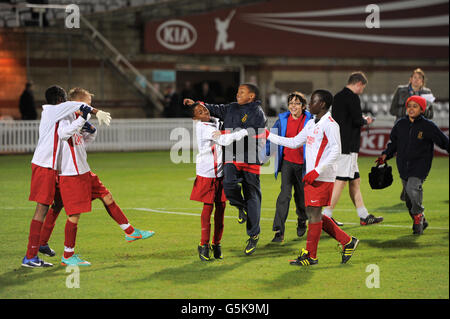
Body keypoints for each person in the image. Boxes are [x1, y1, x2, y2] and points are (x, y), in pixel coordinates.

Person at [54, 88, 154, 266]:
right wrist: (82, 118)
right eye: (87, 104)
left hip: (84, 172)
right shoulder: (65, 119)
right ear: (77, 103)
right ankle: (67, 255)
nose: (90, 107)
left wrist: (90, 132)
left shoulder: (77, 120)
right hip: (72, 175)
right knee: (74, 216)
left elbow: (80, 144)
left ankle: (130, 231)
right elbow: (63, 135)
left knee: (107, 196)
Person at [262, 89, 359, 266]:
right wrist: (270, 136)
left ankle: (311, 255)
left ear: (322, 104)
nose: (310, 104)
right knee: (313, 213)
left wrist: (317, 171)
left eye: (313, 101)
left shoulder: (330, 124)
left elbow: (336, 150)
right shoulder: (312, 123)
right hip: (312, 176)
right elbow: (293, 142)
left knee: (313, 215)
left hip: (323, 177)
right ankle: (347, 241)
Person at [21, 85, 111, 268]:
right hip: (44, 166)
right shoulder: (54, 110)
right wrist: (97, 111)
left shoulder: (54, 113)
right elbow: (80, 106)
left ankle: (40, 246)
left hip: (50, 167)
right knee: (42, 208)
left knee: (55, 204)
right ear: (61, 99)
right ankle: (30, 256)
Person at [184, 83, 267, 256]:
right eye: (237, 91)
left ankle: (253, 234)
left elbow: (250, 132)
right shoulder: (231, 108)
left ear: (251, 96)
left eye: (241, 92)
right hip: (229, 158)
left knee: (252, 197)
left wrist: (227, 133)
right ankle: (239, 207)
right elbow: (214, 109)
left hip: (250, 159)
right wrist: (197, 104)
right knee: (229, 187)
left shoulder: (258, 114)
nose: (237, 94)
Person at [377, 96, 449, 235]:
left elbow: (444, 141)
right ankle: (422, 219)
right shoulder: (400, 124)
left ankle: (418, 216)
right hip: (403, 165)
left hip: (420, 165)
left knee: (412, 187)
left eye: (415, 106)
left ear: (422, 109)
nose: (411, 108)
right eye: (409, 105)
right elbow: (393, 144)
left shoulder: (428, 126)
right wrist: (386, 155)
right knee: (409, 199)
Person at [322, 71, 383, 226]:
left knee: (355, 180)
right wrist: (366, 121)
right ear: (358, 84)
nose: (362, 90)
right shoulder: (353, 97)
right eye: (362, 87)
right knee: (340, 180)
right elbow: (356, 120)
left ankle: (363, 215)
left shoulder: (338, 96)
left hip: (339, 142)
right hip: (347, 147)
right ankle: (326, 217)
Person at [189, 102, 248, 261]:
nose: (204, 111)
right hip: (208, 173)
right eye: (200, 112)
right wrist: (243, 132)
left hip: (220, 172)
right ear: (196, 118)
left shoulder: (212, 121)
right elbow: (223, 140)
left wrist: (194, 101)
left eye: (204, 108)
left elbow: (216, 114)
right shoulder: (204, 128)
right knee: (208, 209)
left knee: (221, 208)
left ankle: (217, 244)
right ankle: (203, 245)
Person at [265, 91, 312, 242]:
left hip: (304, 165)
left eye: (296, 103)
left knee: (301, 197)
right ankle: (279, 230)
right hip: (287, 163)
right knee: (284, 196)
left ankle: (302, 219)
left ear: (303, 106)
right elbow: (272, 137)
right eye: (291, 103)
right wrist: (264, 155)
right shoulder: (282, 120)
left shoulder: (311, 119)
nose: (293, 106)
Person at [389, 68, 435, 201]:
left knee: (418, 160)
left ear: (422, 81)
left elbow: (431, 115)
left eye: (419, 78)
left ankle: (411, 188)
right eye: (414, 77)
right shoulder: (401, 90)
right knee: (403, 160)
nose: (416, 80)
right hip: (403, 130)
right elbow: (392, 110)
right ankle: (407, 188)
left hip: (420, 131)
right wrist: (410, 109)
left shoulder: (428, 93)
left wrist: (422, 110)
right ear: (410, 79)